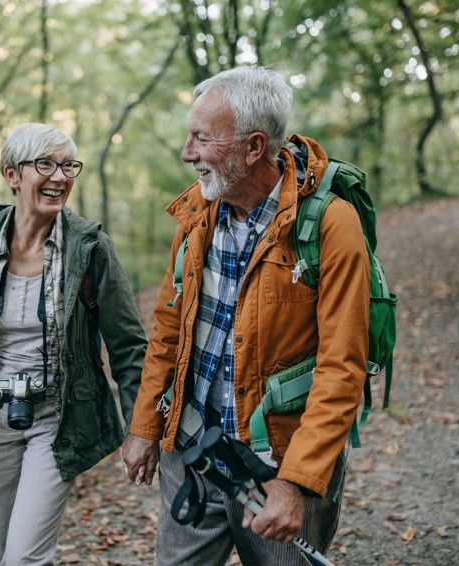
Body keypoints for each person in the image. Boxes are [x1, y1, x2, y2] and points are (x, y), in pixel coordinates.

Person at [120, 66, 370, 565]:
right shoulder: (197, 211)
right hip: (191, 450)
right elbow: (169, 328)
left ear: (254, 148)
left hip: (276, 467)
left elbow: (342, 368)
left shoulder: (330, 225)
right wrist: (146, 424)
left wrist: (297, 483)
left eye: (201, 139)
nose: (187, 153)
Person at [0, 122, 147, 565]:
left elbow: (129, 345)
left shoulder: (90, 248)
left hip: (56, 419)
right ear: (12, 174)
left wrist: (141, 427)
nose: (59, 177)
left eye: (68, 166)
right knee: (3, 556)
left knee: (24, 560)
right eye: (45, 164)